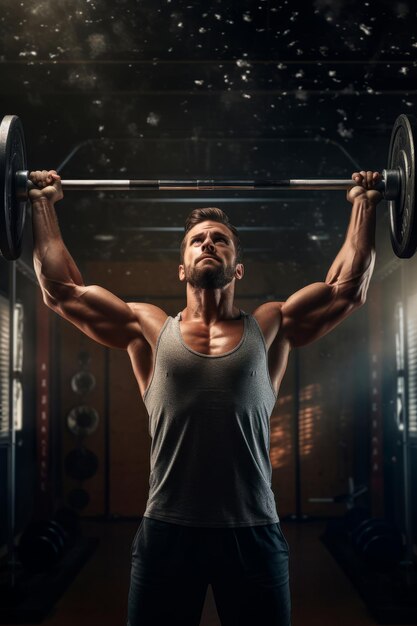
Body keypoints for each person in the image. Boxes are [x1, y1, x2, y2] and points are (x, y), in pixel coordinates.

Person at [29, 169, 382, 626]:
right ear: (182, 267)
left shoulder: (271, 326)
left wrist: (366, 203)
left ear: (238, 267)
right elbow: (62, 293)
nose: (208, 243)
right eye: (198, 240)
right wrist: (41, 203)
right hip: (167, 531)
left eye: (220, 239)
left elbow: (347, 291)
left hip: (253, 530)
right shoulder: (148, 328)